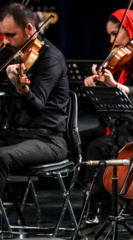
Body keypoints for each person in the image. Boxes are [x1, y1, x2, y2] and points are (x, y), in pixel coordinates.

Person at [79, 8, 133, 237]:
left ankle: (95, 210)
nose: (111, 40)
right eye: (109, 35)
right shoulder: (123, 58)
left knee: (98, 147)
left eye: (115, 34)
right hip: (118, 123)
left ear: (131, 30)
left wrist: (113, 85)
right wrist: (97, 84)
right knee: (78, 140)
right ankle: (117, 211)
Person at [0, 3, 69, 197]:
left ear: (29, 29)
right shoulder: (10, 51)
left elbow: (36, 107)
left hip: (47, 139)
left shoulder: (51, 59)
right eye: (2, 35)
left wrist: (21, 88)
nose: (5, 41)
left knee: (1, 158)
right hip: (14, 134)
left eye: (10, 35)